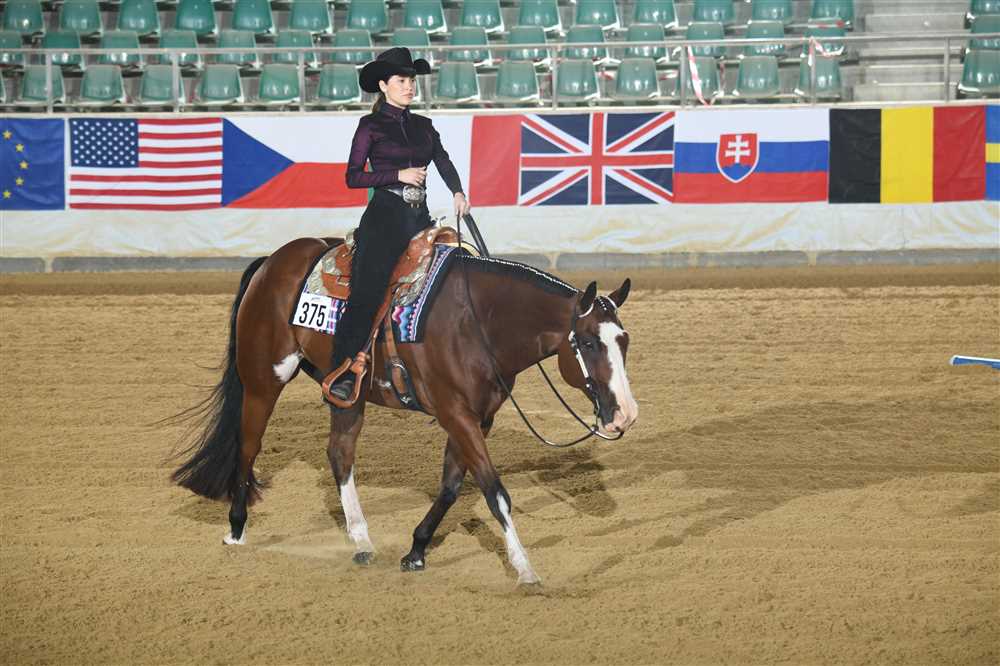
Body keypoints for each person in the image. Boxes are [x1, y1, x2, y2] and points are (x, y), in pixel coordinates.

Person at [327, 47, 471, 403]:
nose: (409, 87)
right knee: (368, 290)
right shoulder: (370, 126)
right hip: (383, 219)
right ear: (383, 85)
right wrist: (398, 175)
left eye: (412, 81)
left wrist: (458, 192)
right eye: (401, 81)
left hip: (418, 218)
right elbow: (353, 177)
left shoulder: (424, 125)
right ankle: (344, 369)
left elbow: (443, 160)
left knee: (454, 272)